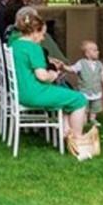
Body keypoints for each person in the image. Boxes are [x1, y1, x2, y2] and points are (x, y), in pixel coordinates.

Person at [9, 9, 93, 159]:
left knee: (66, 98)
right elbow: (41, 76)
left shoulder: (15, 44)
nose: (42, 38)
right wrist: (53, 75)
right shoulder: (34, 48)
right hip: (35, 93)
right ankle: (78, 141)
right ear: (35, 31)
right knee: (79, 99)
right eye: (42, 34)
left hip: (22, 92)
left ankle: (66, 132)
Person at [68, 40, 103, 128]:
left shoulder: (99, 64)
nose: (97, 52)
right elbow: (72, 69)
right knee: (84, 106)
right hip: (84, 90)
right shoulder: (81, 63)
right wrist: (63, 67)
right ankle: (84, 119)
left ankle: (92, 118)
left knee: (95, 106)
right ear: (87, 53)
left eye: (97, 50)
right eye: (94, 50)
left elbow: (102, 76)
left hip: (96, 90)